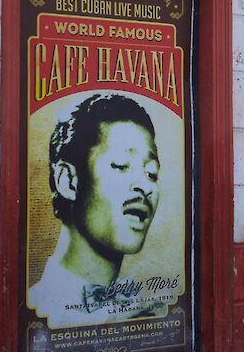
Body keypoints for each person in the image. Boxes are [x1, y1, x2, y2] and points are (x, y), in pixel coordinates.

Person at [28, 93, 163, 328]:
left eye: (151, 173)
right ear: (68, 181)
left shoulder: (145, 311)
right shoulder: (34, 311)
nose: (145, 185)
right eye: (121, 165)